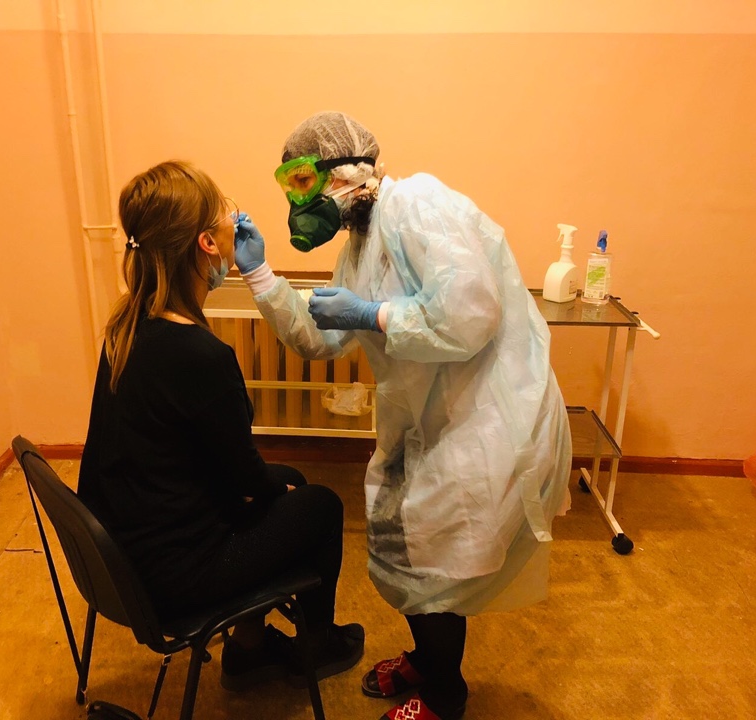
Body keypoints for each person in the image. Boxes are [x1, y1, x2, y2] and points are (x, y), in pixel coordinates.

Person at [233, 112, 572, 720]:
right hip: (425, 419)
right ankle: (426, 660)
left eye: (305, 182)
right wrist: (260, 275)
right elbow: (321, 336)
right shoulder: (361, 244)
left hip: (481, 418)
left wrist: (375, 315)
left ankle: (444, 694)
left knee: (436, 565)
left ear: (346, 170)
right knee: (405, 550)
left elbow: (469, 316)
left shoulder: (418, 204)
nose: (299, 203)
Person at [77, 160, 364, 693]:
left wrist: (272, 485)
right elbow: (244, 478)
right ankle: (316, 646)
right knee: (320, 504)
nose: (236, 221)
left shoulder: (127, 327)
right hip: (173, 578)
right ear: (207, 244)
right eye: (225, 215)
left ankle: (250, 647)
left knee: (285, 483)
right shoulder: (200, 355)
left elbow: (208, 461)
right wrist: (279, 488)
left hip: (118, 558)